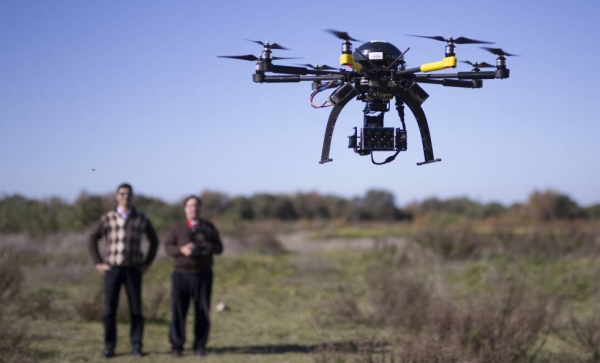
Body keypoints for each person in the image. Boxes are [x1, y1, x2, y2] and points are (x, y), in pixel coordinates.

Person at [88, 183, 159, 358]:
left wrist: (147, 262)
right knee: (109, 311)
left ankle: (136, 346)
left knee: (136, 310)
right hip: (112, 269)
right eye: (122, 193)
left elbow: (154, 240)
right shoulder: (108, 218)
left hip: (134, 269)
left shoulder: (141, 218)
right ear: (116, 196)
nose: (125, 196)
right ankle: (109, 346)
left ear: (132, 196)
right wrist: (98, 262)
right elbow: (92, 238)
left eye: (128, 194)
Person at [164, 195, 223, 357]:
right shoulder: (177, 227)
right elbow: (168, 247)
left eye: (196, 205)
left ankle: (200, 345)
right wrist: (181, 251)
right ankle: (177, 346)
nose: (193, 208)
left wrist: (207, 247)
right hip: (181, 275)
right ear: (185, 208)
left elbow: (219, 248)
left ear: (200, 208)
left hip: (203, 275)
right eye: (190, 206)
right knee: (178, 311)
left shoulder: (209, 227)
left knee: (202, 311)